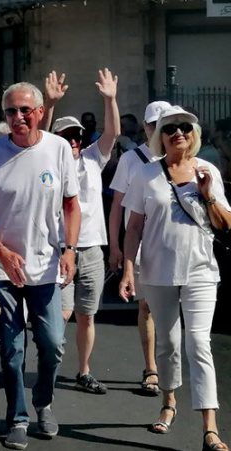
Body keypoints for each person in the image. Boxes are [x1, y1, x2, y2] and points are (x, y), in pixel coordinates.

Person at [0, 82, 80, 450]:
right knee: (11, 348)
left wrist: (69, 249)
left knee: (52, 344)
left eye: (24, 110)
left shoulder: (58, 148)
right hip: (4, 267)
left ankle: (43, 402)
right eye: (10, 112)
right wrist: (0, 251)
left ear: (38, 112)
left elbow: (70, 205)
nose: (17, 118)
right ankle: (17, 417)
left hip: (47, 266)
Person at [120, 106, 230, 451]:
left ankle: (209, 428)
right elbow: (134, 226)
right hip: (156, 271)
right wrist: (127, 268)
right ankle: (169, 402)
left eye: (184, 127)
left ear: (193, 134)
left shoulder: (207, 169)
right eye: (170, 129)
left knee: (199, 344)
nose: (178, 133)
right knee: (167, 346)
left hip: (200, 271)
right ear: (159, 137)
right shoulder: (145, 175)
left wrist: (208, 191)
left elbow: (224, 223)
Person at [42, 69, 120, 395]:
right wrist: (49, 104)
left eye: (76, 136)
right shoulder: (47, 161)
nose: (73, 141)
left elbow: (113, 133)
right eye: (66, 136)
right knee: (62, 312)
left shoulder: (92, 159)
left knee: (87, 316)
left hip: (91, 248)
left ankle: (83, 371)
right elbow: (39, 134)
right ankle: (49, 364)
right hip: (60, 248)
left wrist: (110, 98)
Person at [108, 100, 171, 397]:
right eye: (153, 125)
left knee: (169, 310)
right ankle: (151, 369)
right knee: (145, 306)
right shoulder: (131, 159)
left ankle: (170, 366)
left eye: (163, 124)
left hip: (171, 246)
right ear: (145, 127)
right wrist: (115, 247)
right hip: (141, 244)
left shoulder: (180, 157)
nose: (157, 130)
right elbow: (118, 207)